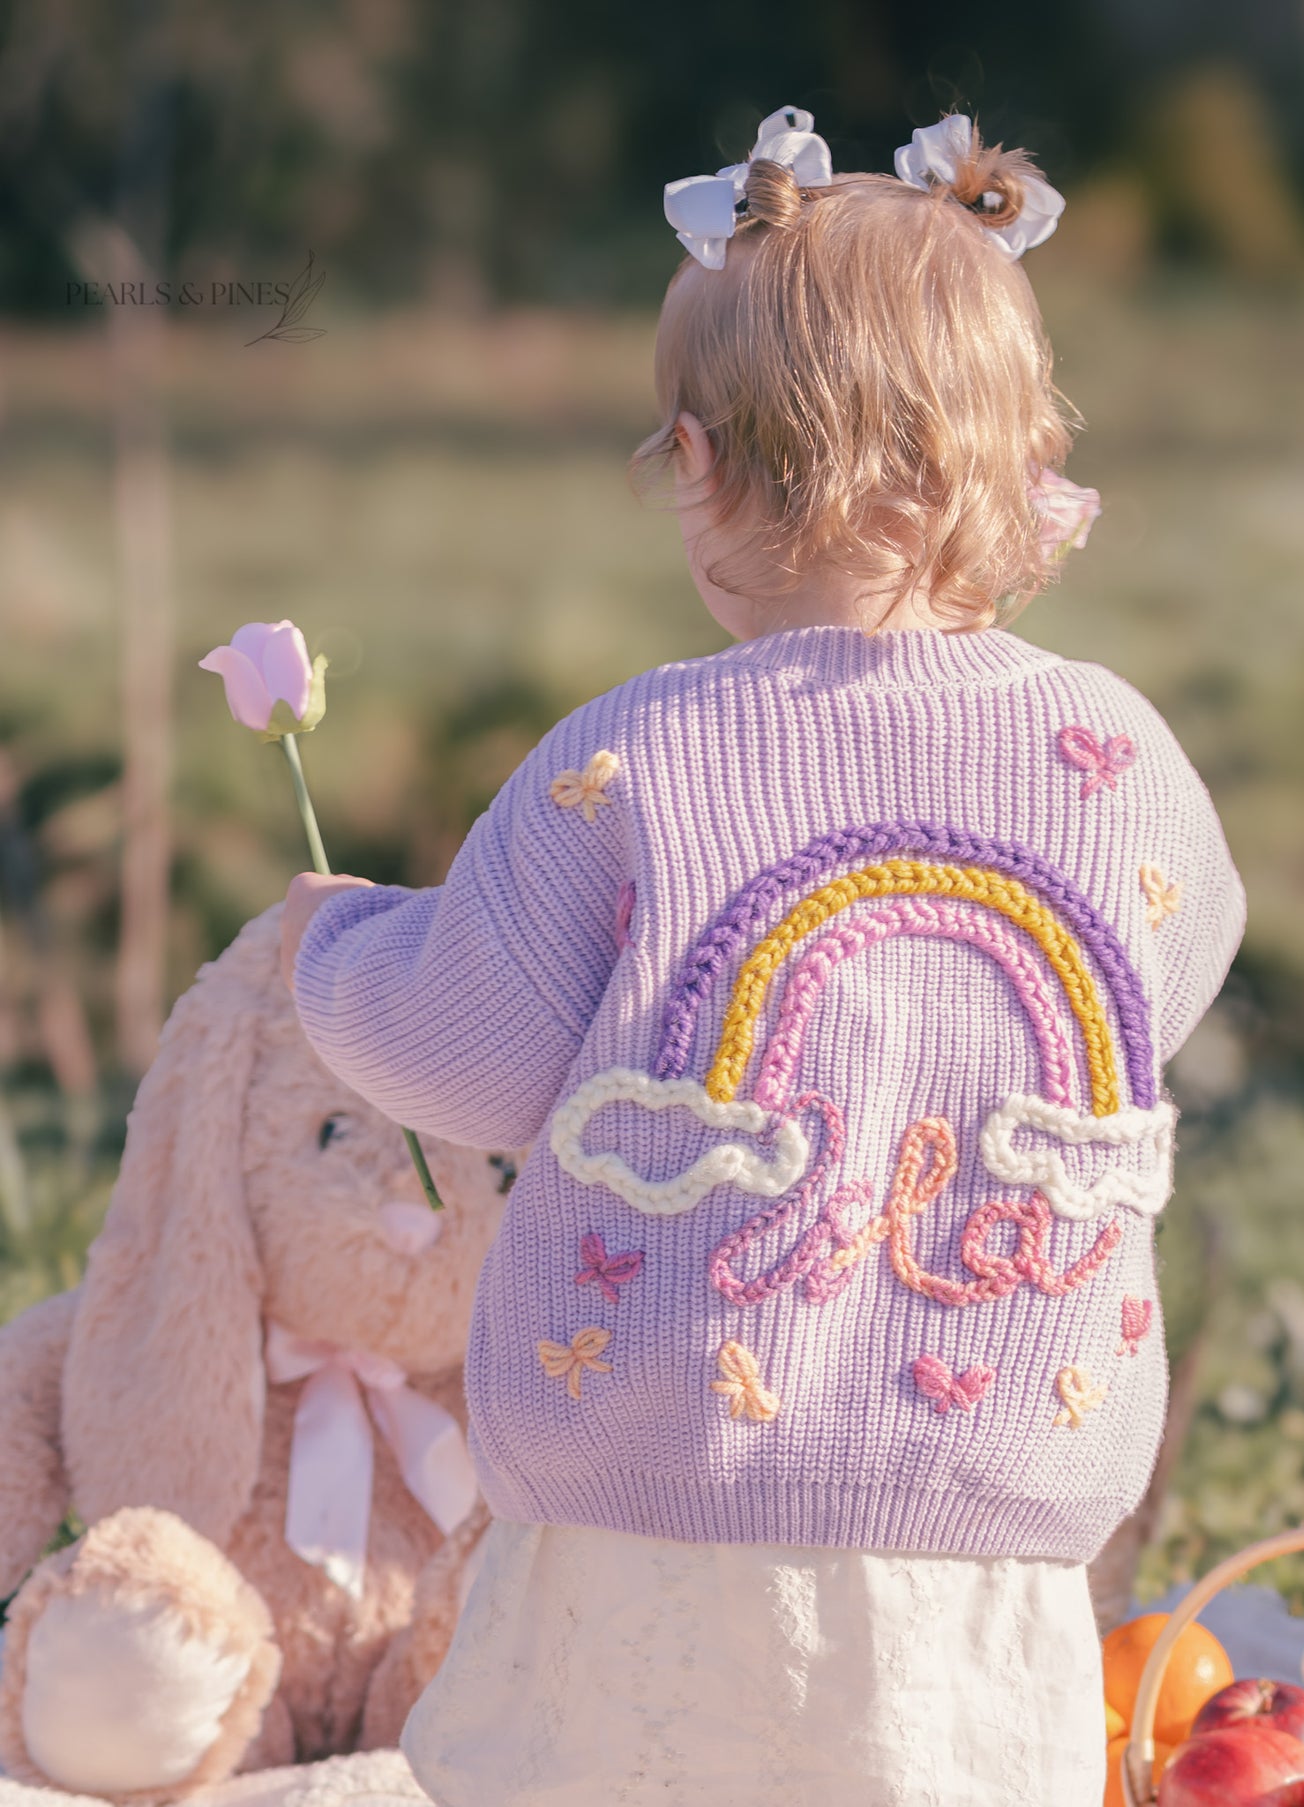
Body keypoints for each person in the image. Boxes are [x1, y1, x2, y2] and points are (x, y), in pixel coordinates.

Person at [283, 104, 1246, 1807]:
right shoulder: (1118, 758)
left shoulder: (632, 760)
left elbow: (465, 1050)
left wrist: (336, 945)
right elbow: (1164, 978)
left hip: (665, 1491)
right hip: (992, 1499)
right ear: (1019, 467)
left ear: (701, 466)